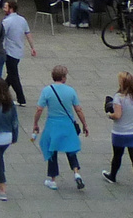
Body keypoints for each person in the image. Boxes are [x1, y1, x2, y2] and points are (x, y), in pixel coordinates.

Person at [30, 63, 89, 191]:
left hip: (53, 124)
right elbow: (78, 110)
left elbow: (39, 109)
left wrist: (35, 123)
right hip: (68, 124)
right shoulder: (71, 91)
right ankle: (76, 172)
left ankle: (53, 180)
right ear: (63, 77)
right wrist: (84, 125)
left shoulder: (47, 90)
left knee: (52, 150)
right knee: (70, 149)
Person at [101, 70, 133, 195]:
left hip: (120, 132)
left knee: (117, 155)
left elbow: (118, 115)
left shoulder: (119, 98)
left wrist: (110, 115)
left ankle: (113, 176)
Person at [0, 0, 37, 105]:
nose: (3, 9)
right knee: (11, 74)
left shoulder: (7, 21)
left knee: (13, 75)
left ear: (11, 9)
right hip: (18, 51)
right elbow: (28, 33)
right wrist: (32, 47)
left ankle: (20, 99)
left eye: (5, 7)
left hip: (9, 51)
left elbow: (1, 35)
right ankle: (1, 93)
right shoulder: (22, 20)